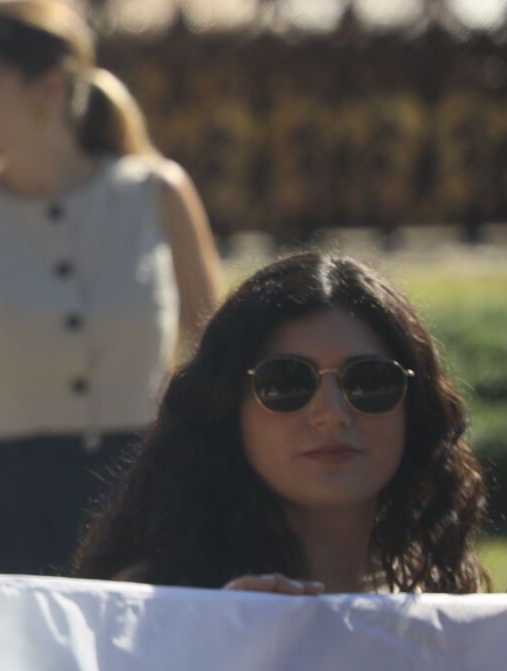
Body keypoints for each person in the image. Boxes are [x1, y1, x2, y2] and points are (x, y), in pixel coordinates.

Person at [0, 0, 223, 576]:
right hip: (1, 506)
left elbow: (223, 365)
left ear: (47, 86)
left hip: (143, 499)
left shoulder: (158, 194)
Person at [73, 250, 489, 594]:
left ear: (415, 408)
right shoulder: (154, 602)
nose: (332, 414)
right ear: (227, 407)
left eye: (370, 382)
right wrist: (218, 640)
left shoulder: (442, 603)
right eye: (286, 383)